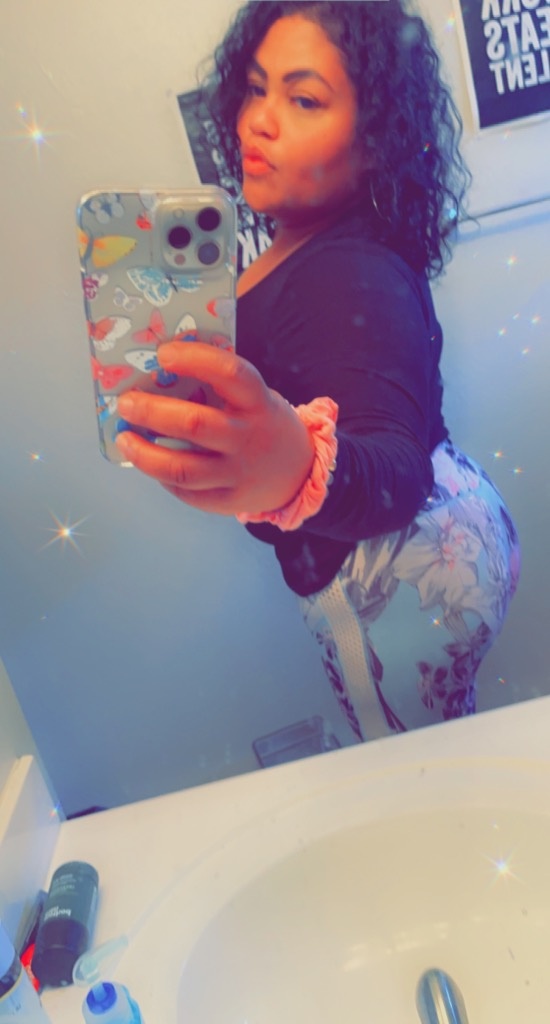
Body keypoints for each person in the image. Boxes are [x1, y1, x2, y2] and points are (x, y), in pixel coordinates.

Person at [115, 1, 521, 741]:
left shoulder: (349, 268)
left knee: (413, 775)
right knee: (443, 754)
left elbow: (395, 471)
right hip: (440, 537)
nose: (257, 121)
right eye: (256, 88)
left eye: (303, 99)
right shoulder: (315, 241)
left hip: (399, 568)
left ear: (374, 140)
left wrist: (296, 466)